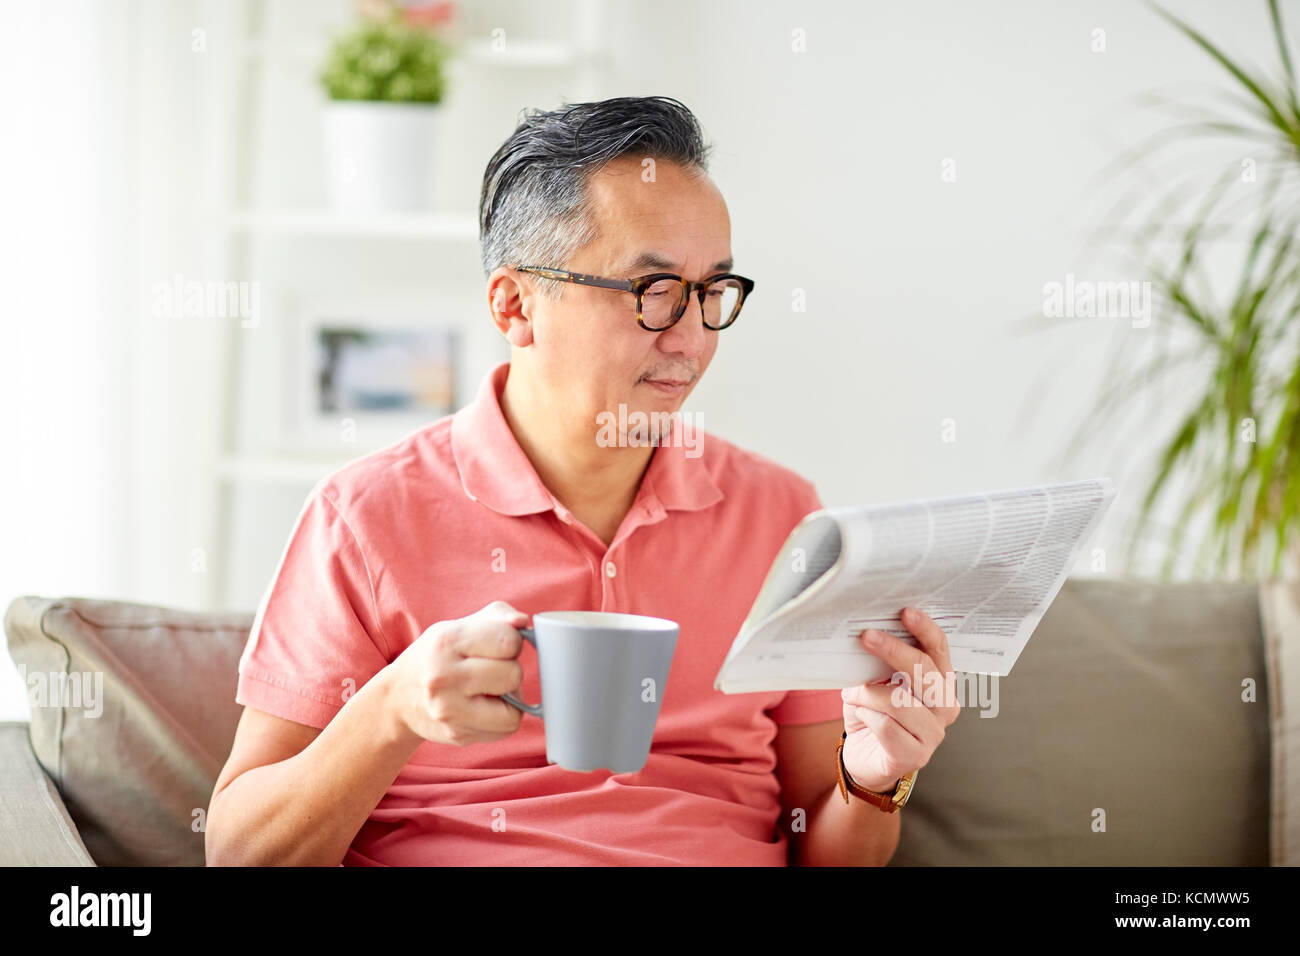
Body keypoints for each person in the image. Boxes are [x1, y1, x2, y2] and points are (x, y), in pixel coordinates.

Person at [205, 95, 958, 866]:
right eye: (653, 292)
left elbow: (828, 856)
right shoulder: (364, 516)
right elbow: (239, 853)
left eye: (711, 292)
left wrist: (874, 780)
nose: (693, 339)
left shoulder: (781, 517)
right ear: (516, 303)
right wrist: (393, 709)